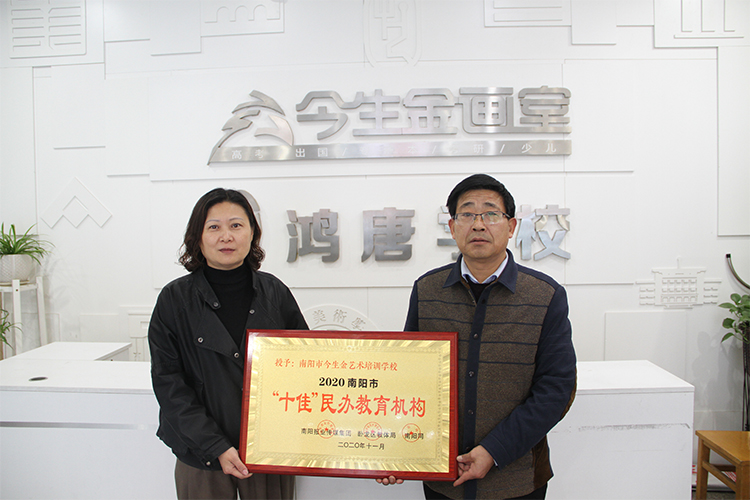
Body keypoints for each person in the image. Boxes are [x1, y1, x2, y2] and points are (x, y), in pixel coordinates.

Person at [378, 174, 576, 500]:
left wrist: (494, 450)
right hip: (443, 479)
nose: (479, 224)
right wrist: (394, 449)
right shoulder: (427, 290)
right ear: (452, 226)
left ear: (511, 227)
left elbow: (556, 389)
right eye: (467, 214)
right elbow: (409, 379)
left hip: (517, 481)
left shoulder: (545, 295)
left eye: (491, 214)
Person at [148, 188, 308, 500]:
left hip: (267, 452)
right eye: (214, 227)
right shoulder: (174, 300)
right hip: (201, 455)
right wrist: (215, 445)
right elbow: (169, 383)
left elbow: (305, 367)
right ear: (197, 237)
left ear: (253, 233)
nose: (226, 236)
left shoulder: (275, 293)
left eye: (236, 225)